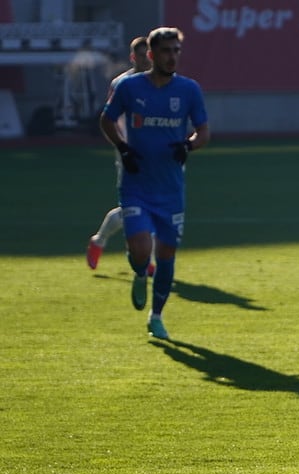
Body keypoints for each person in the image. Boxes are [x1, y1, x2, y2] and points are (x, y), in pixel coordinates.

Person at [99, 26, 210, 339]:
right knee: (140, 249)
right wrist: (123, 148)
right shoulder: (129, 87)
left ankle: (156, 316)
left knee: (165, 256)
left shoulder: (189, 90)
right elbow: (107, 119)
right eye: (165, 51)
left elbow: (203, 132)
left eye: (176, 51)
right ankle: (137, 270)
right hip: (136, 183)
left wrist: (188, 145)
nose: (172, 56)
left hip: (171, 187)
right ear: (151, 55)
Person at [87, 36, 155, 273]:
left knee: (154, 204)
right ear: (132, 57)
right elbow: (109, 118)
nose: (145, 61)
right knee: (131, 207)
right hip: (128, 152)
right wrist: (122, 146)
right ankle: (101, 241)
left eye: (149, 55)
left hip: (155, 154)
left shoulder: (160, 82)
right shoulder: (121, 83)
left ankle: (143, 258)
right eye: (140, 55)